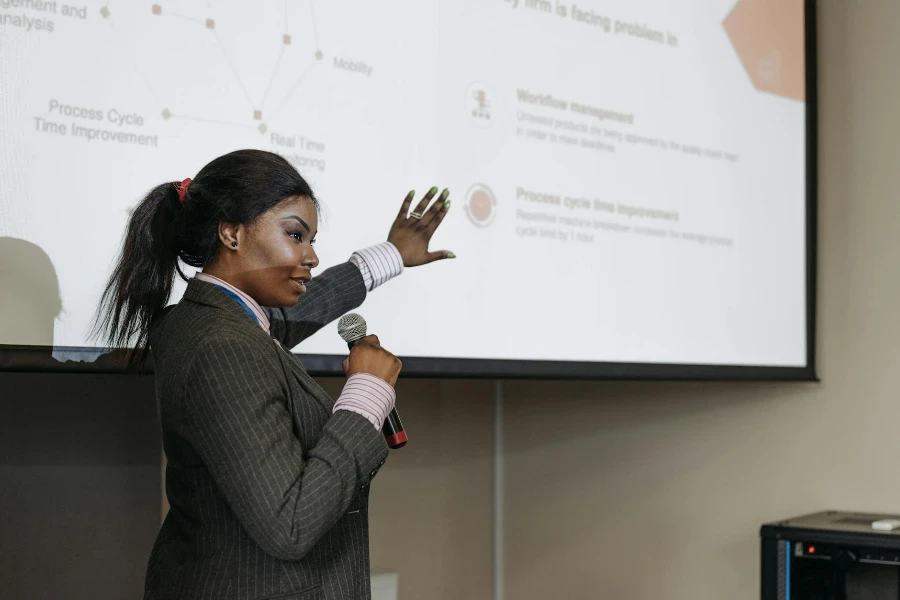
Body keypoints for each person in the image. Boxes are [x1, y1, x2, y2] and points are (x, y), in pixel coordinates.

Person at [94, 149, 454, 600]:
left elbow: (293, 314)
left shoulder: (205, 320)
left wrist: (392, 255)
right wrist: (366, 395)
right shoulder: (221, 345)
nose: (313, 257)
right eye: (296, 235)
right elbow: (292, 524)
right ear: (231, 232)